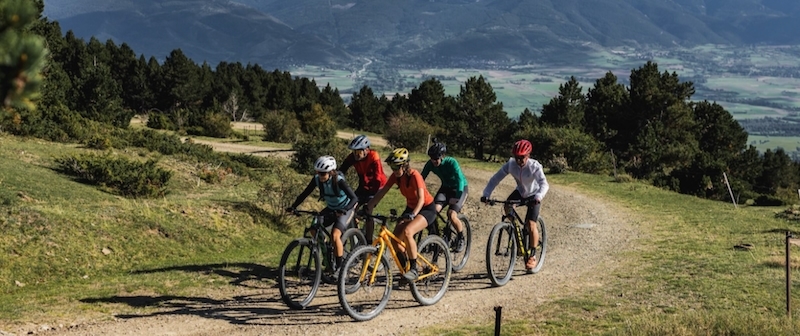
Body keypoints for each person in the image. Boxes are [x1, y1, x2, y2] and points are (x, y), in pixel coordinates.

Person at [366, 148, 437, 281]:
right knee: (394, 241)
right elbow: (382, 192)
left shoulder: (415, 176)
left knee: (408, 232)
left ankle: (414, 269)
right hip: (410, 209)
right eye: (392, 166)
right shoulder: (396, 176)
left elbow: (421, 199)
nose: (394, 169)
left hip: (426, 208)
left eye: (396, 166)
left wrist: (413, 214)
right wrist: (369, 206)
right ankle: (406, 270)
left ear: (405, 165)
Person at [480, 139, 549, 274]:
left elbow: (544, 184)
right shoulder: (511, 164)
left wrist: (538, 196)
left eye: (522, 157)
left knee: (531, 224)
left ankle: (532, 255)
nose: (519, 160)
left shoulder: (534, 166)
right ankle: (516, 233)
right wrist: (486, 194)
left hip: (534, 195)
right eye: (517, 157)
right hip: (521, 192)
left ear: (528, 155)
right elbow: (495, 179)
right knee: (507, 207)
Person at [286, 155, 358, 274]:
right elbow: (305, 193)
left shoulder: (339, 181)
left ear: (331, 172)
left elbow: (354, 198)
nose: (320, 176)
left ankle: (340, 271)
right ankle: (327, 252)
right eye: (318, 173)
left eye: (323, 174)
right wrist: (294, 206)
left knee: (335, 235)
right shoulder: (317, 179)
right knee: (314, 228)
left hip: (346, 209)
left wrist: (345, 209)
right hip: (331, 208)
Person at [339, 135, 387, 244]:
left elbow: (377, 178)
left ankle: (368, 242)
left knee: (368, 212)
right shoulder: (352, 157)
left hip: (377, 186)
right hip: (363, 185)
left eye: (359, 152)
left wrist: (371, 201)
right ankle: (356, 235)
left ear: (366, 150)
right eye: (354, 152)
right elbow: (342, 171)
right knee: (351, 208)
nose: (356, 155)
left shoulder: (374, 155)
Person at [420, 141, 468, 252]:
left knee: (451, 214)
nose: (433, 161)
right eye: (431, 158)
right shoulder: (430, 164)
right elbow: (421, 179)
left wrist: (457, 197)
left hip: (460, 188)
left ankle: (461, 237)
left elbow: (460, 179)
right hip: (445, 188)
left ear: (442, 156)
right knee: (433, 211)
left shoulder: (452, 162)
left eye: (436, 158)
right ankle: (435, 238)